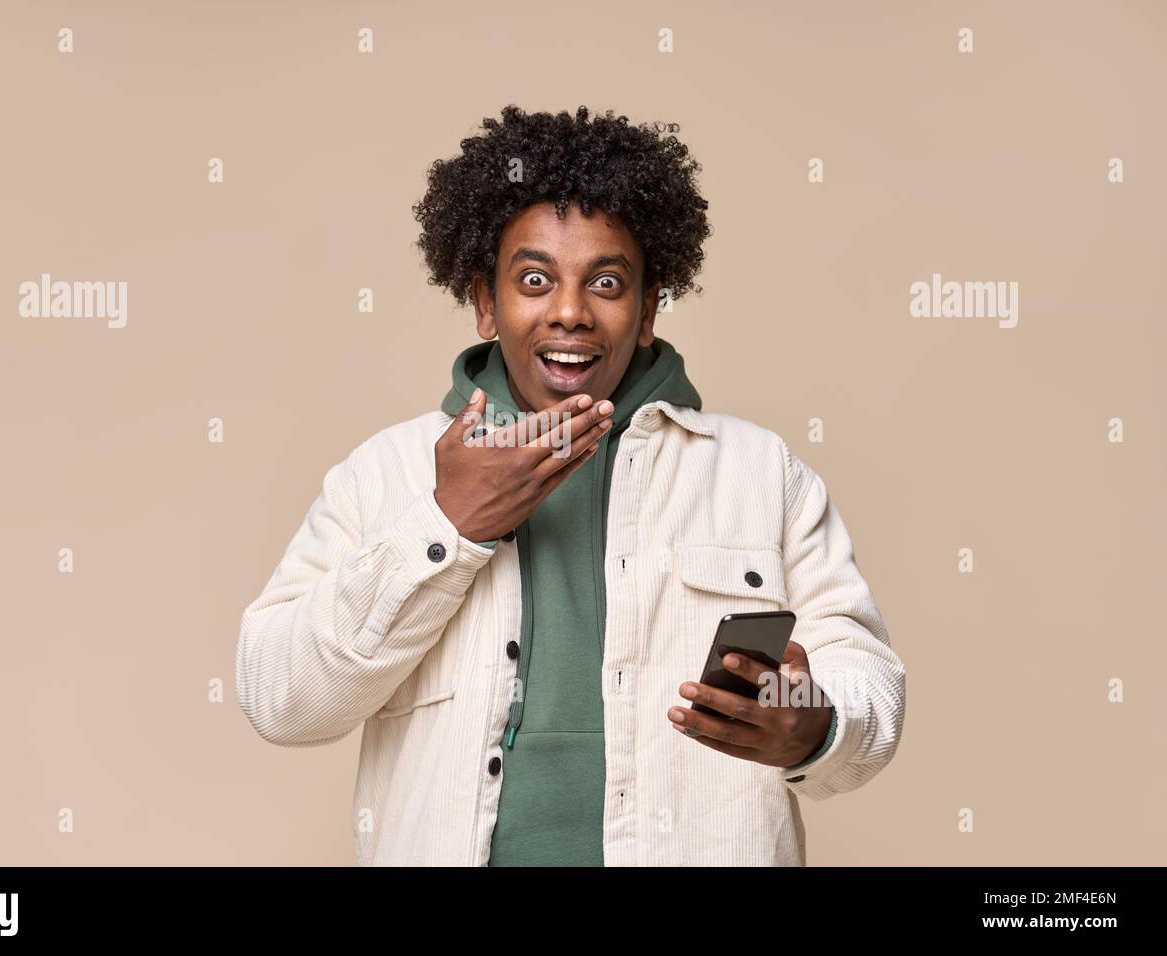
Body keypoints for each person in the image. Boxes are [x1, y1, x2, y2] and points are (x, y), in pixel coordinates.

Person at [236, 105, 905, 866]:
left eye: (608, 283)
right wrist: (447, 525)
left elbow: (869, 685)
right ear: (486, 303)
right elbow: (279, 699)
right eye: (533, 279)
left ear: (648, 309)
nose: (569, 312)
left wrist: (816, 725)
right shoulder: (384, 473)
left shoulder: (759, 473)